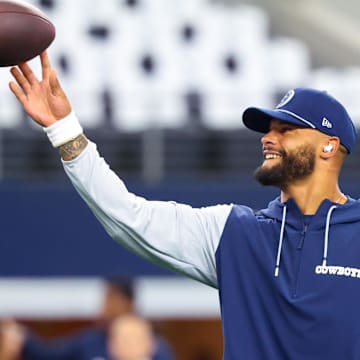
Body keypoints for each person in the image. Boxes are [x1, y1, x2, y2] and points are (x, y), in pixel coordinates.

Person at [7, 52, 360, 359]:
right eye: (269, 129)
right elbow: (128, 216)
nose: (268, 137)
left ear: (328, 147)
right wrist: (63, 129)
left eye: (286, 130)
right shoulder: (234, 232)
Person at [0, 277, 175, 360]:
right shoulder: (91, 341)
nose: (105, 307)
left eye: (110, 299)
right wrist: (23, 338)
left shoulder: (159, 349)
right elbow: (50, 354)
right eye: (119, 340)